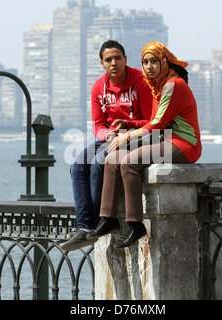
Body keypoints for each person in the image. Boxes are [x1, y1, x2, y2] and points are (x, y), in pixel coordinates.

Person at [86, 41, 202, 248]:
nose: (149, 67)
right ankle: (108, 218)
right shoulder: (156, 85)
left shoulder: (172, 85)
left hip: (185, 144)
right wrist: (128, 124)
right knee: (112, 158)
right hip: (165, 139)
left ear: (164, 62)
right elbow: (153, 121)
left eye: (154, 62)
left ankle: (135, 223)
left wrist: (126, 137)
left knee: (129, 162)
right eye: (145, 62)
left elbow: (157, 124)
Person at [61, 40, 152, 251]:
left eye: (118, 58)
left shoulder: (141, 81)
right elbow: (98, 125)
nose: (114, 63)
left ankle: (97, 224)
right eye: (108, 60)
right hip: (110, 138)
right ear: (101, 63)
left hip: (136, 137)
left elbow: (150, 121)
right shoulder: (98, 88)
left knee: (99, 162)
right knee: (77, 164)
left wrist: (127, 128)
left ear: (126, 59)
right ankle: (84, 226)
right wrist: (106, 134)